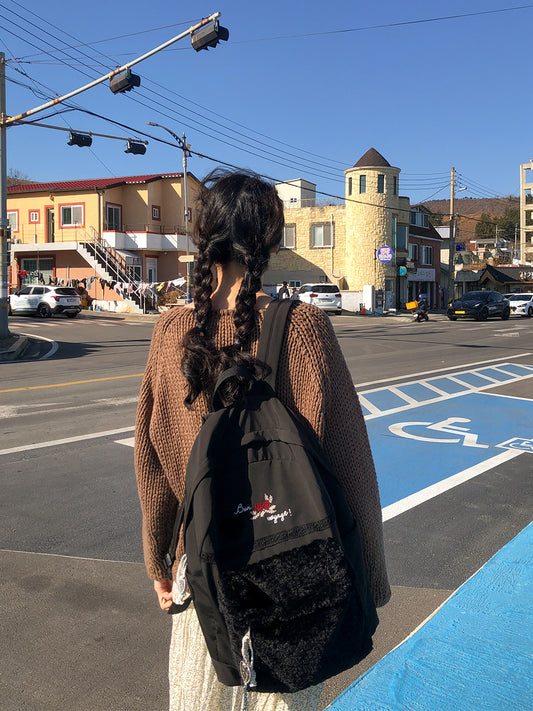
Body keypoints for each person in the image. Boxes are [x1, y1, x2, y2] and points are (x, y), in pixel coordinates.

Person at [135, 169, 390, 711]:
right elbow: (350, 462)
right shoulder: (305, 328)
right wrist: (372, 573)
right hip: (296, 570)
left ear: (203, 239)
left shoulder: (169, 332)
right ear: (271, 243)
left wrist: (160, 563)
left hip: (203, 573)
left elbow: (152, 464)